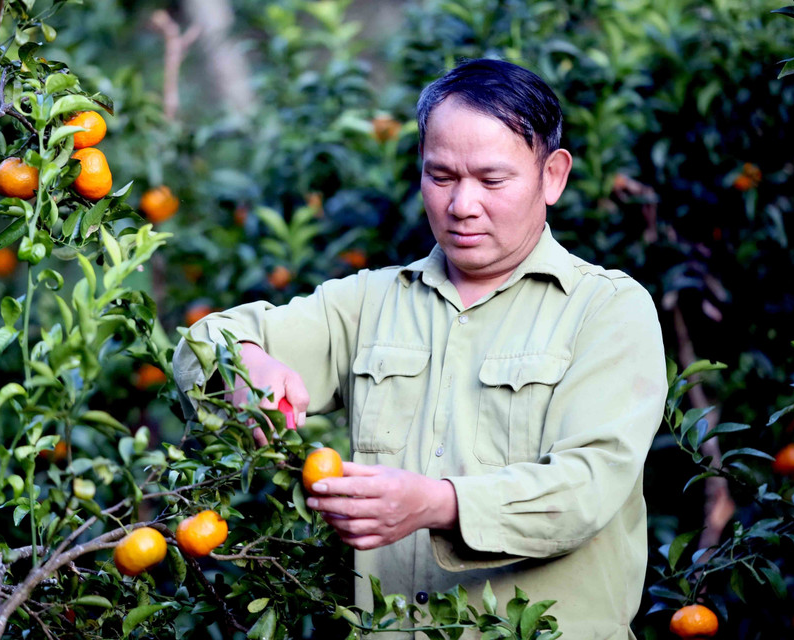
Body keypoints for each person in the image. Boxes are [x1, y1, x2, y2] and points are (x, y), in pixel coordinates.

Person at [173, 58, 667, 639]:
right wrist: (247, 365)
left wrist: (439, 504)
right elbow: (205, 341)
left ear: (552, 176)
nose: (462, 205)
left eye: (492, 180)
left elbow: (588, 486)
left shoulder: (607, 309)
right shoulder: (371, 302)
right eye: (442, 176)